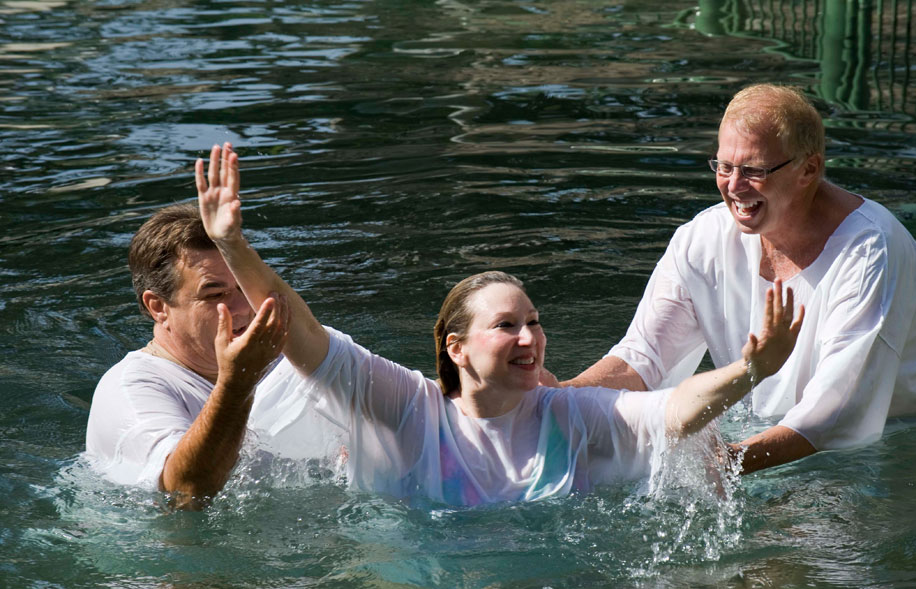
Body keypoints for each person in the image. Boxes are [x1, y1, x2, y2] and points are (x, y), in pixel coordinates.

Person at [195, 143, 804, 507]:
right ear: (456, 348)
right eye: (507, 325)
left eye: (534, 322)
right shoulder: (408, 409)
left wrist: (748, 370)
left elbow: (674, 413)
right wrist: (232, 245)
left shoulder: (569, 415)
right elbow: (303, 335)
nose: (529, 338)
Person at [567, 83, 916, 474]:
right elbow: (643, 359)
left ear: (809, 169)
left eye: (754, 170)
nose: (734, 186)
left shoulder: (872, 249)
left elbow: (839, 409)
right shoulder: (702, 239)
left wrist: (726, 463)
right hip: (775, 435)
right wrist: (552, 402)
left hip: (910, 448)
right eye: (724, 166)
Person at [85, 202, 291, 509]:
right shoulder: (129, 389)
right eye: (215, 294)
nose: (243, 308)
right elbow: (184, 494)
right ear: (158, 307)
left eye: (245, 286)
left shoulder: (277, 358)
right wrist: (238, 381)